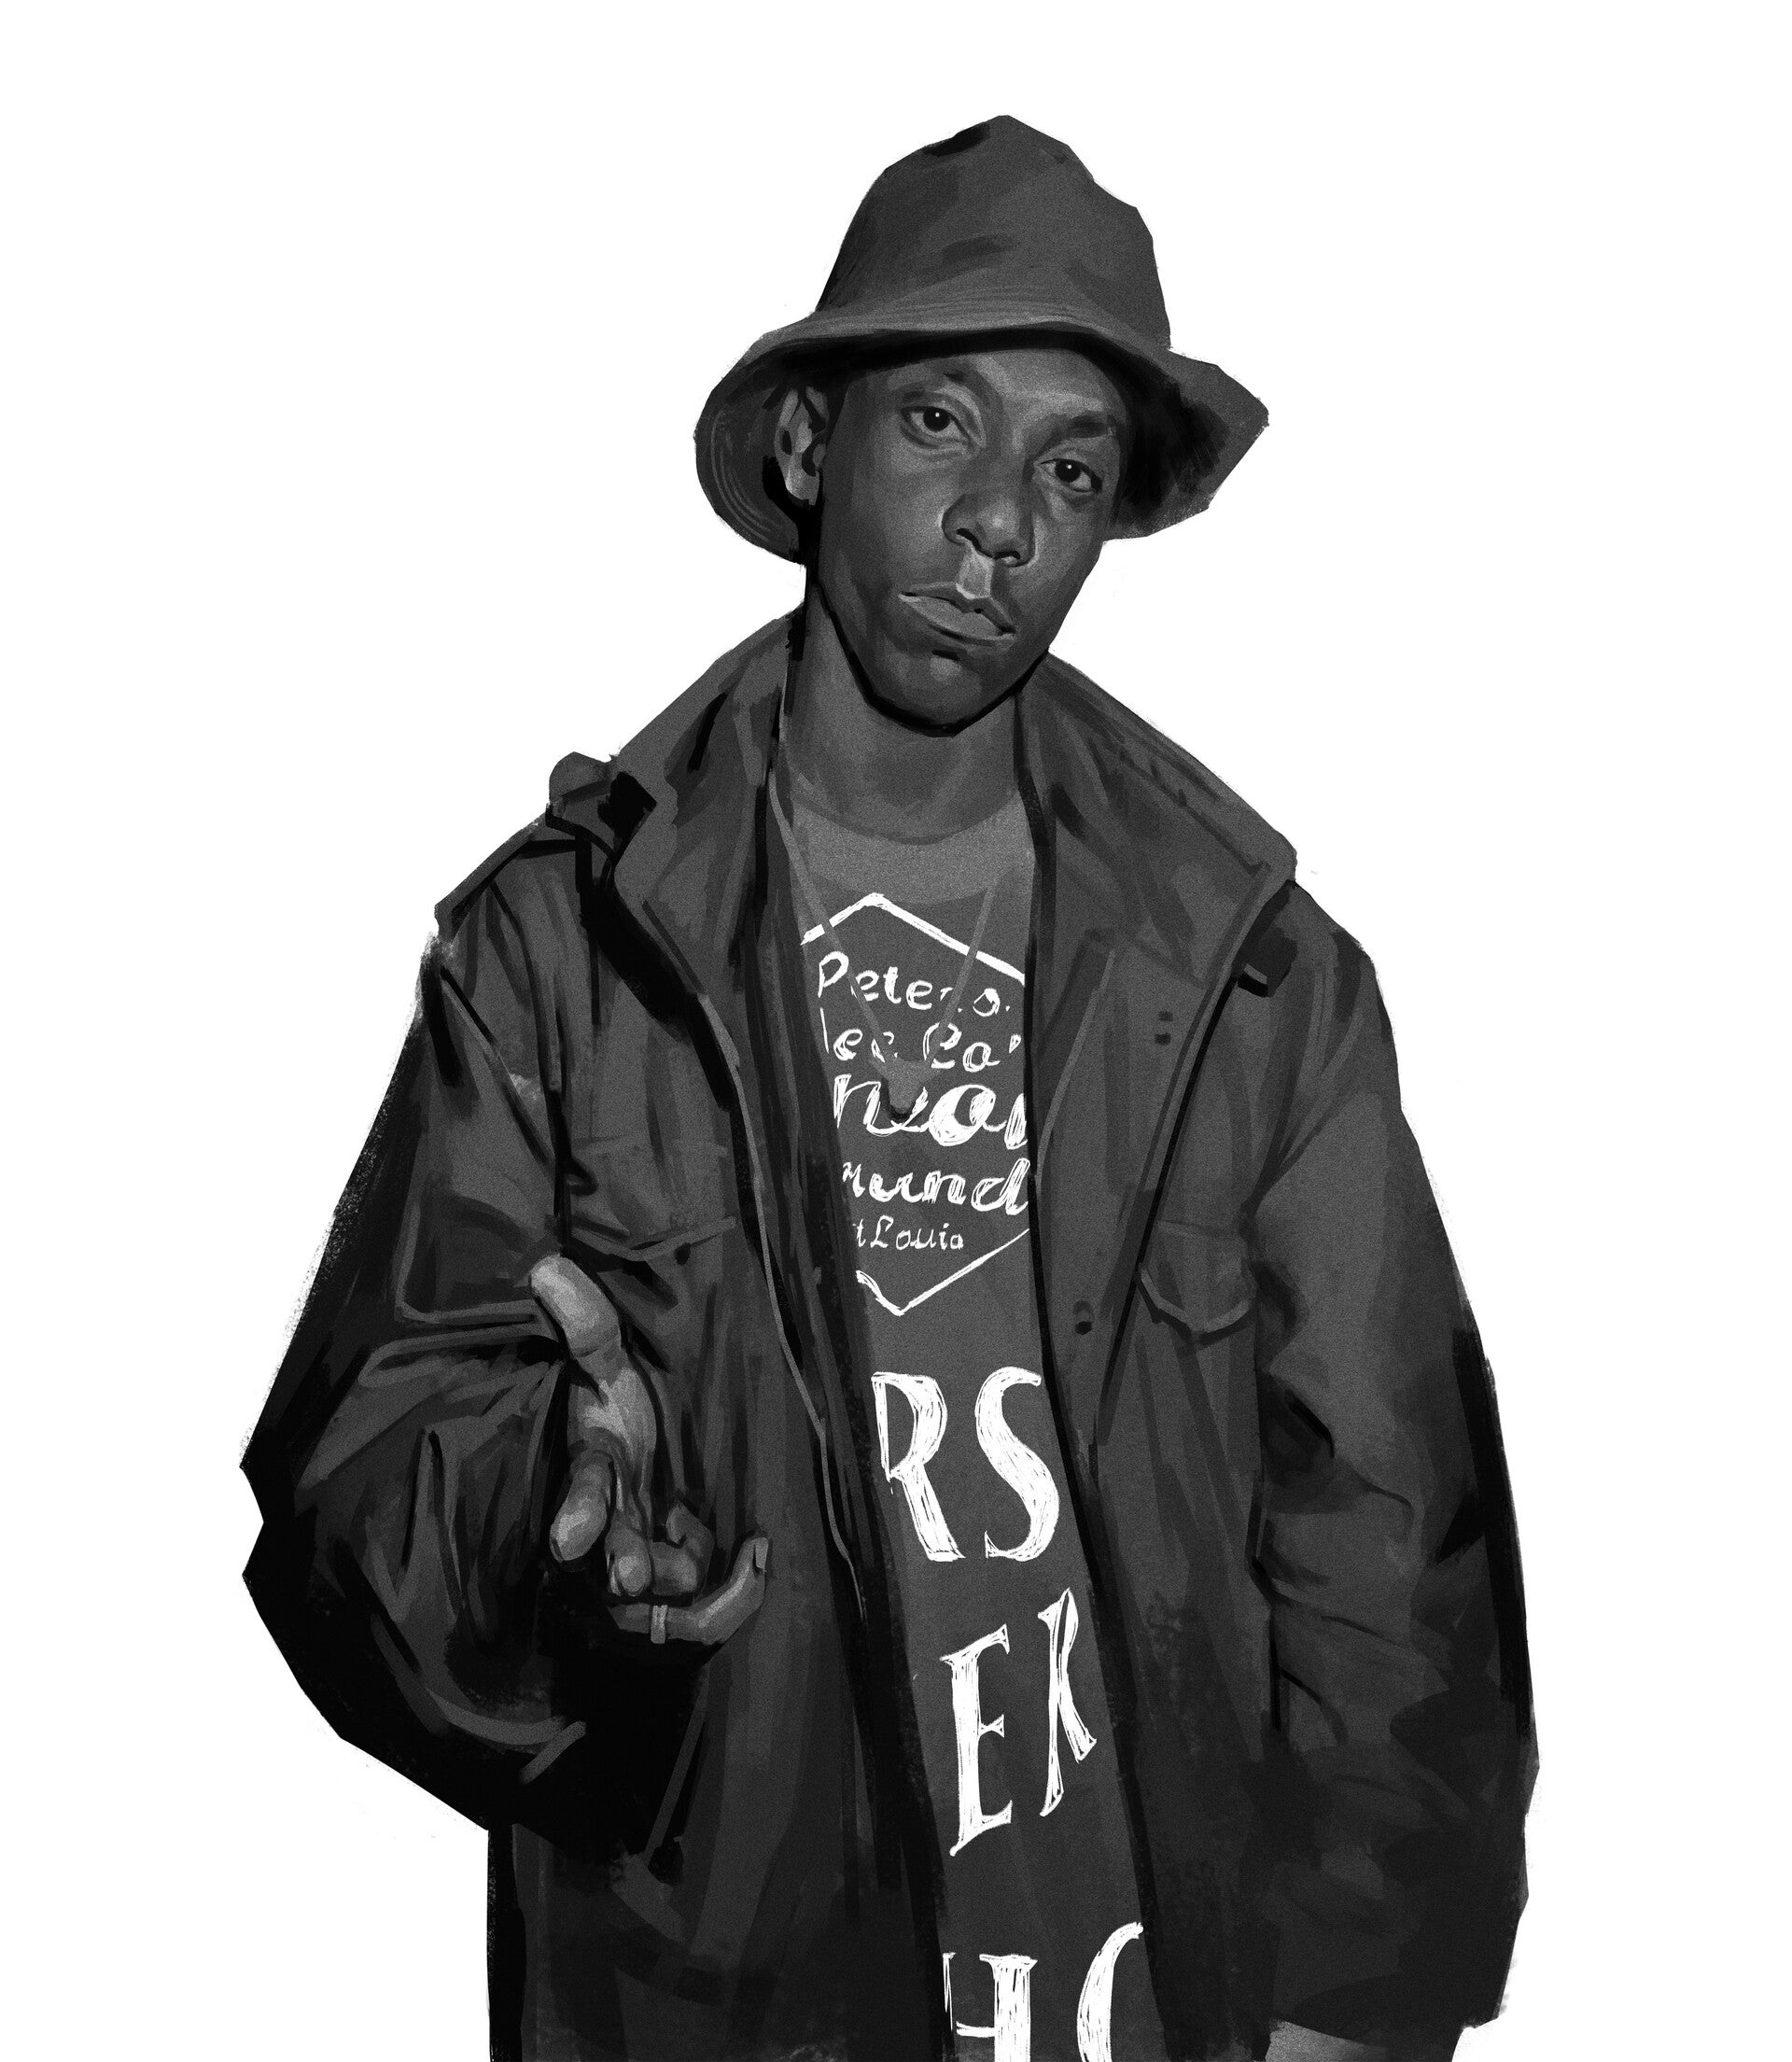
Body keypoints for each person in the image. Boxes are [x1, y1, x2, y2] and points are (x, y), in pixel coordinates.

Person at [243, 118, 1535, 2062]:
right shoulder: (565, 952)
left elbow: (1397, 1540)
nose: (1001, 521)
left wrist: (1357, 2012)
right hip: (723, 2006)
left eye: (1071, 466)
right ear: (805, 448)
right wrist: (555, 1543)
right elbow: (351, 1485)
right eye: (940, 424)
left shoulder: (1254, 977)